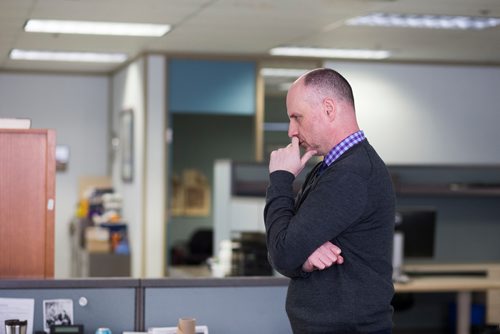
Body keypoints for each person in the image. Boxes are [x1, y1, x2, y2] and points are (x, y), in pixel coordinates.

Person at [264, 68, 395, 334]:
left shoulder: (351, 173)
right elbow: (288, 246)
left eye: (296, 118)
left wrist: (280, 179)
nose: (291, 131)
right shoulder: (331, 168)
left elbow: (282, 251)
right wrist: (303, 255)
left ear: (328, 108)